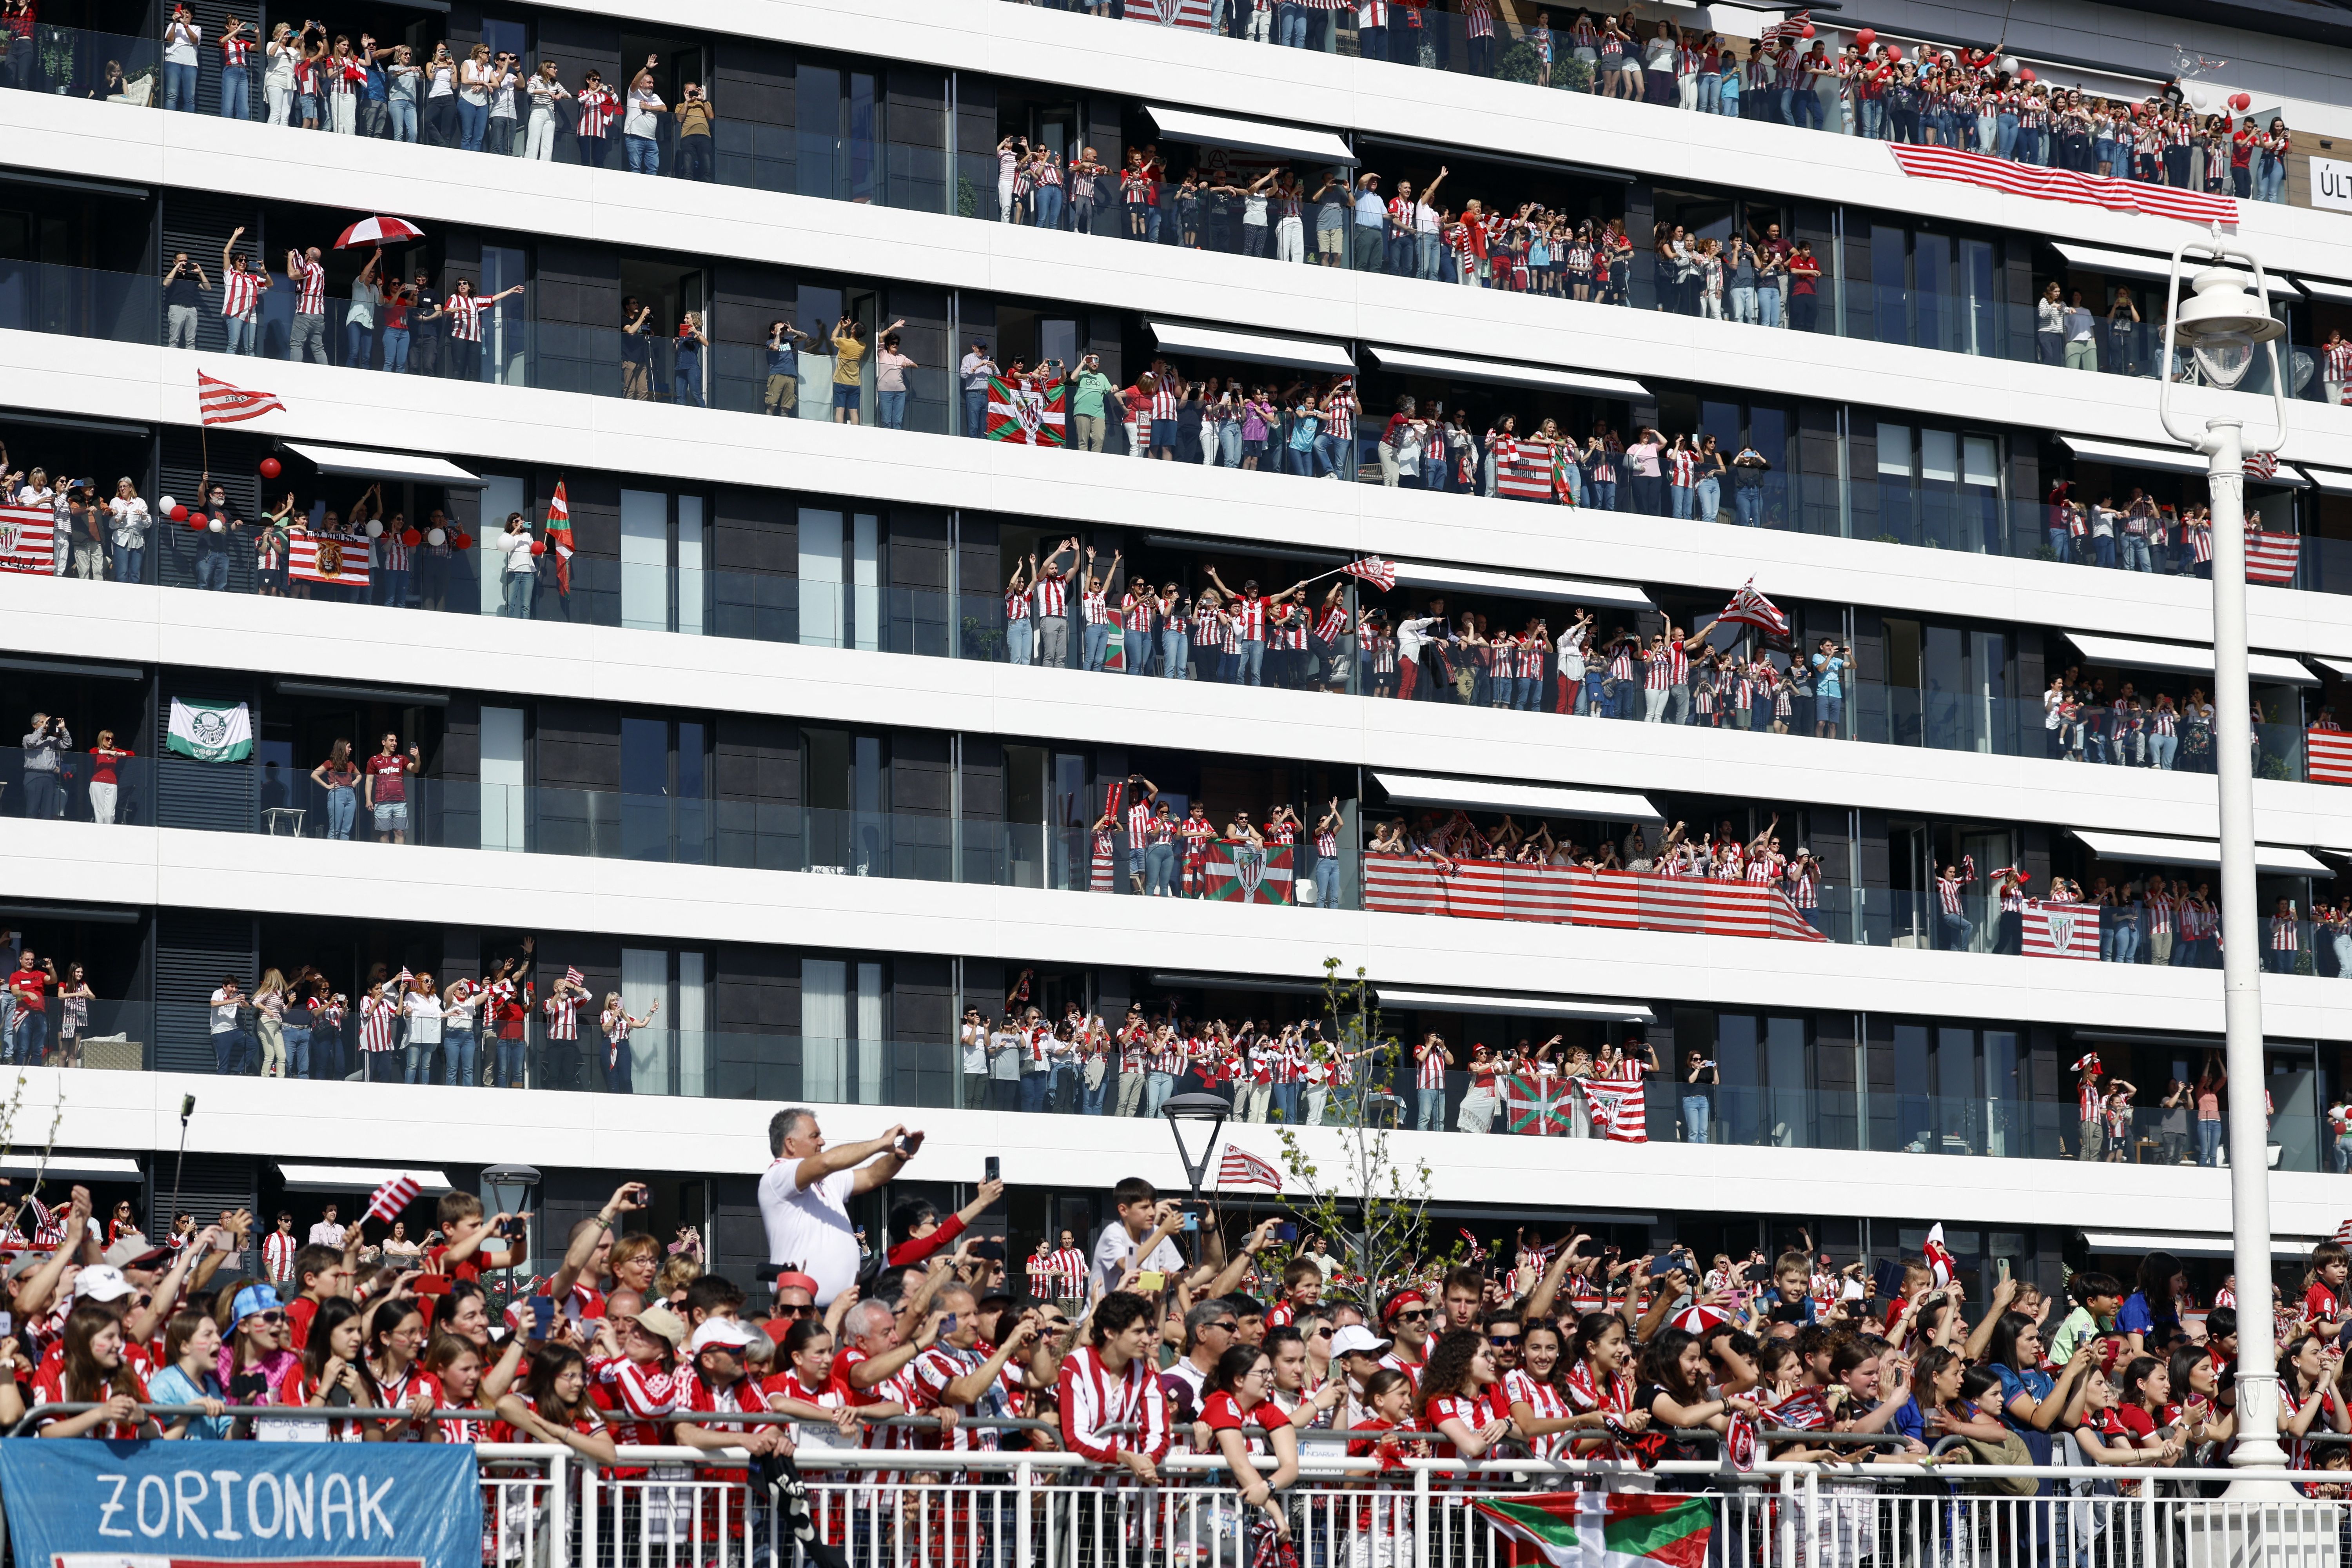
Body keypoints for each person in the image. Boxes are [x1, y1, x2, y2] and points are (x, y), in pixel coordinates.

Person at [757, 1108, 921, 1305]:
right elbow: (826, 1162)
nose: (822, 1142)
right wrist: (880, 1144)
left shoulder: (826, 1179)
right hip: (800, 1310)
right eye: (814, 1136)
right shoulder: (778, 1176)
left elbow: (871, 1177)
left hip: (842, 1307)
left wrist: (899, 1156)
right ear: (790, 1144)